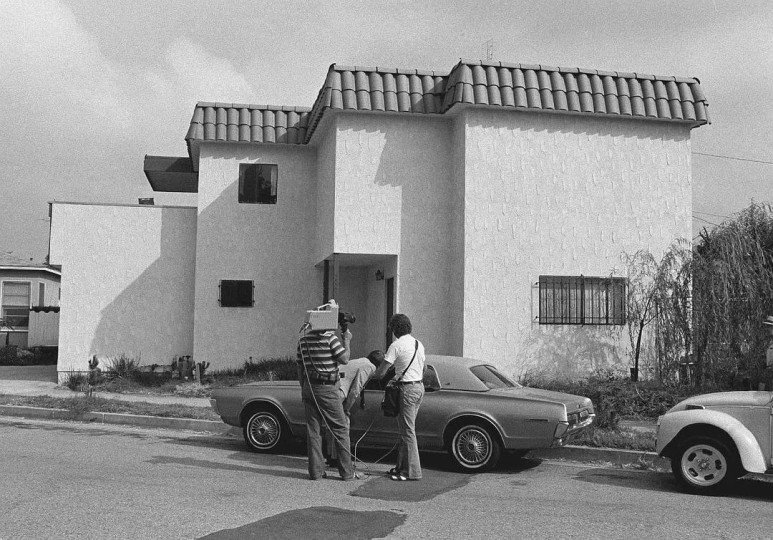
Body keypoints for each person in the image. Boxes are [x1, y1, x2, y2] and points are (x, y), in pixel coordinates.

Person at [297, 321, 357, 481]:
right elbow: (345, 359)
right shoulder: (331, 339)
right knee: (340, 428)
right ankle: (347, 472)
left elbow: (300, 367)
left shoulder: (303, 341)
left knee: (313, 431)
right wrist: (347, 340)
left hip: (309, 387)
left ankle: (315, 472)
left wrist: (304, 388)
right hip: (327, 388)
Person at [372, 313, 425, 481]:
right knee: (405, 429)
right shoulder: (418, 344)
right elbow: (423, 368)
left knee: (408, 431)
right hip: (419, 387)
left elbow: (381, 372)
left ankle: (412, 472)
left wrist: (371, 374)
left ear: (395, 329)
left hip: (406, 389)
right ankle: (401, 467)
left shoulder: (396, 345)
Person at [326, 350, 385, 465]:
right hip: (339, 391)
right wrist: (347, 408)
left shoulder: (359, 361)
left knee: (332, 425)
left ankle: (331, 456)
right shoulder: (369, 366)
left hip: (329, 389)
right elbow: (355, 389)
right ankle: (342, 460)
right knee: (343, 425)